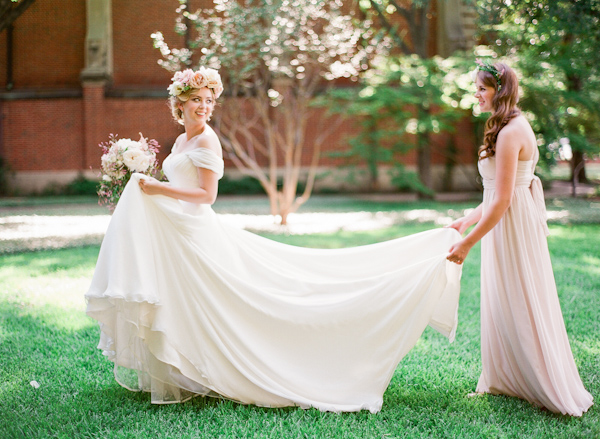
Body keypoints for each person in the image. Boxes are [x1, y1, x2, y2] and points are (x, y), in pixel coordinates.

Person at [85, 66, 463, 413]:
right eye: (196, 100)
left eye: (208, 100)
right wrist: (149, 184)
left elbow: (207, 196)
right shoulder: (183, 140)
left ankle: (235, 367)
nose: (203, 106)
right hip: (178, 229)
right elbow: (182, 184)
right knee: (187, 300)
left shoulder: (207, 141)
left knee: (226, 302)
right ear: (180, 103)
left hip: (197, 230)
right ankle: (190, 371)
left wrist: (158, 190)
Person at [446, 59, 593, 416]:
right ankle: (503, 379)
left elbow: (504, 200)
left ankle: (540, 382)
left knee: (522, 296)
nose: (476, 95)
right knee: (501, 297)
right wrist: (466, 221)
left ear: (500, 91)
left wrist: (468, 243)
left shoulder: (512, 131)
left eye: (482, 88)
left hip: (511, 225)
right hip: (504, 220)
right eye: (476, 88)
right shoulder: (505, 125)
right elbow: (495, 190)